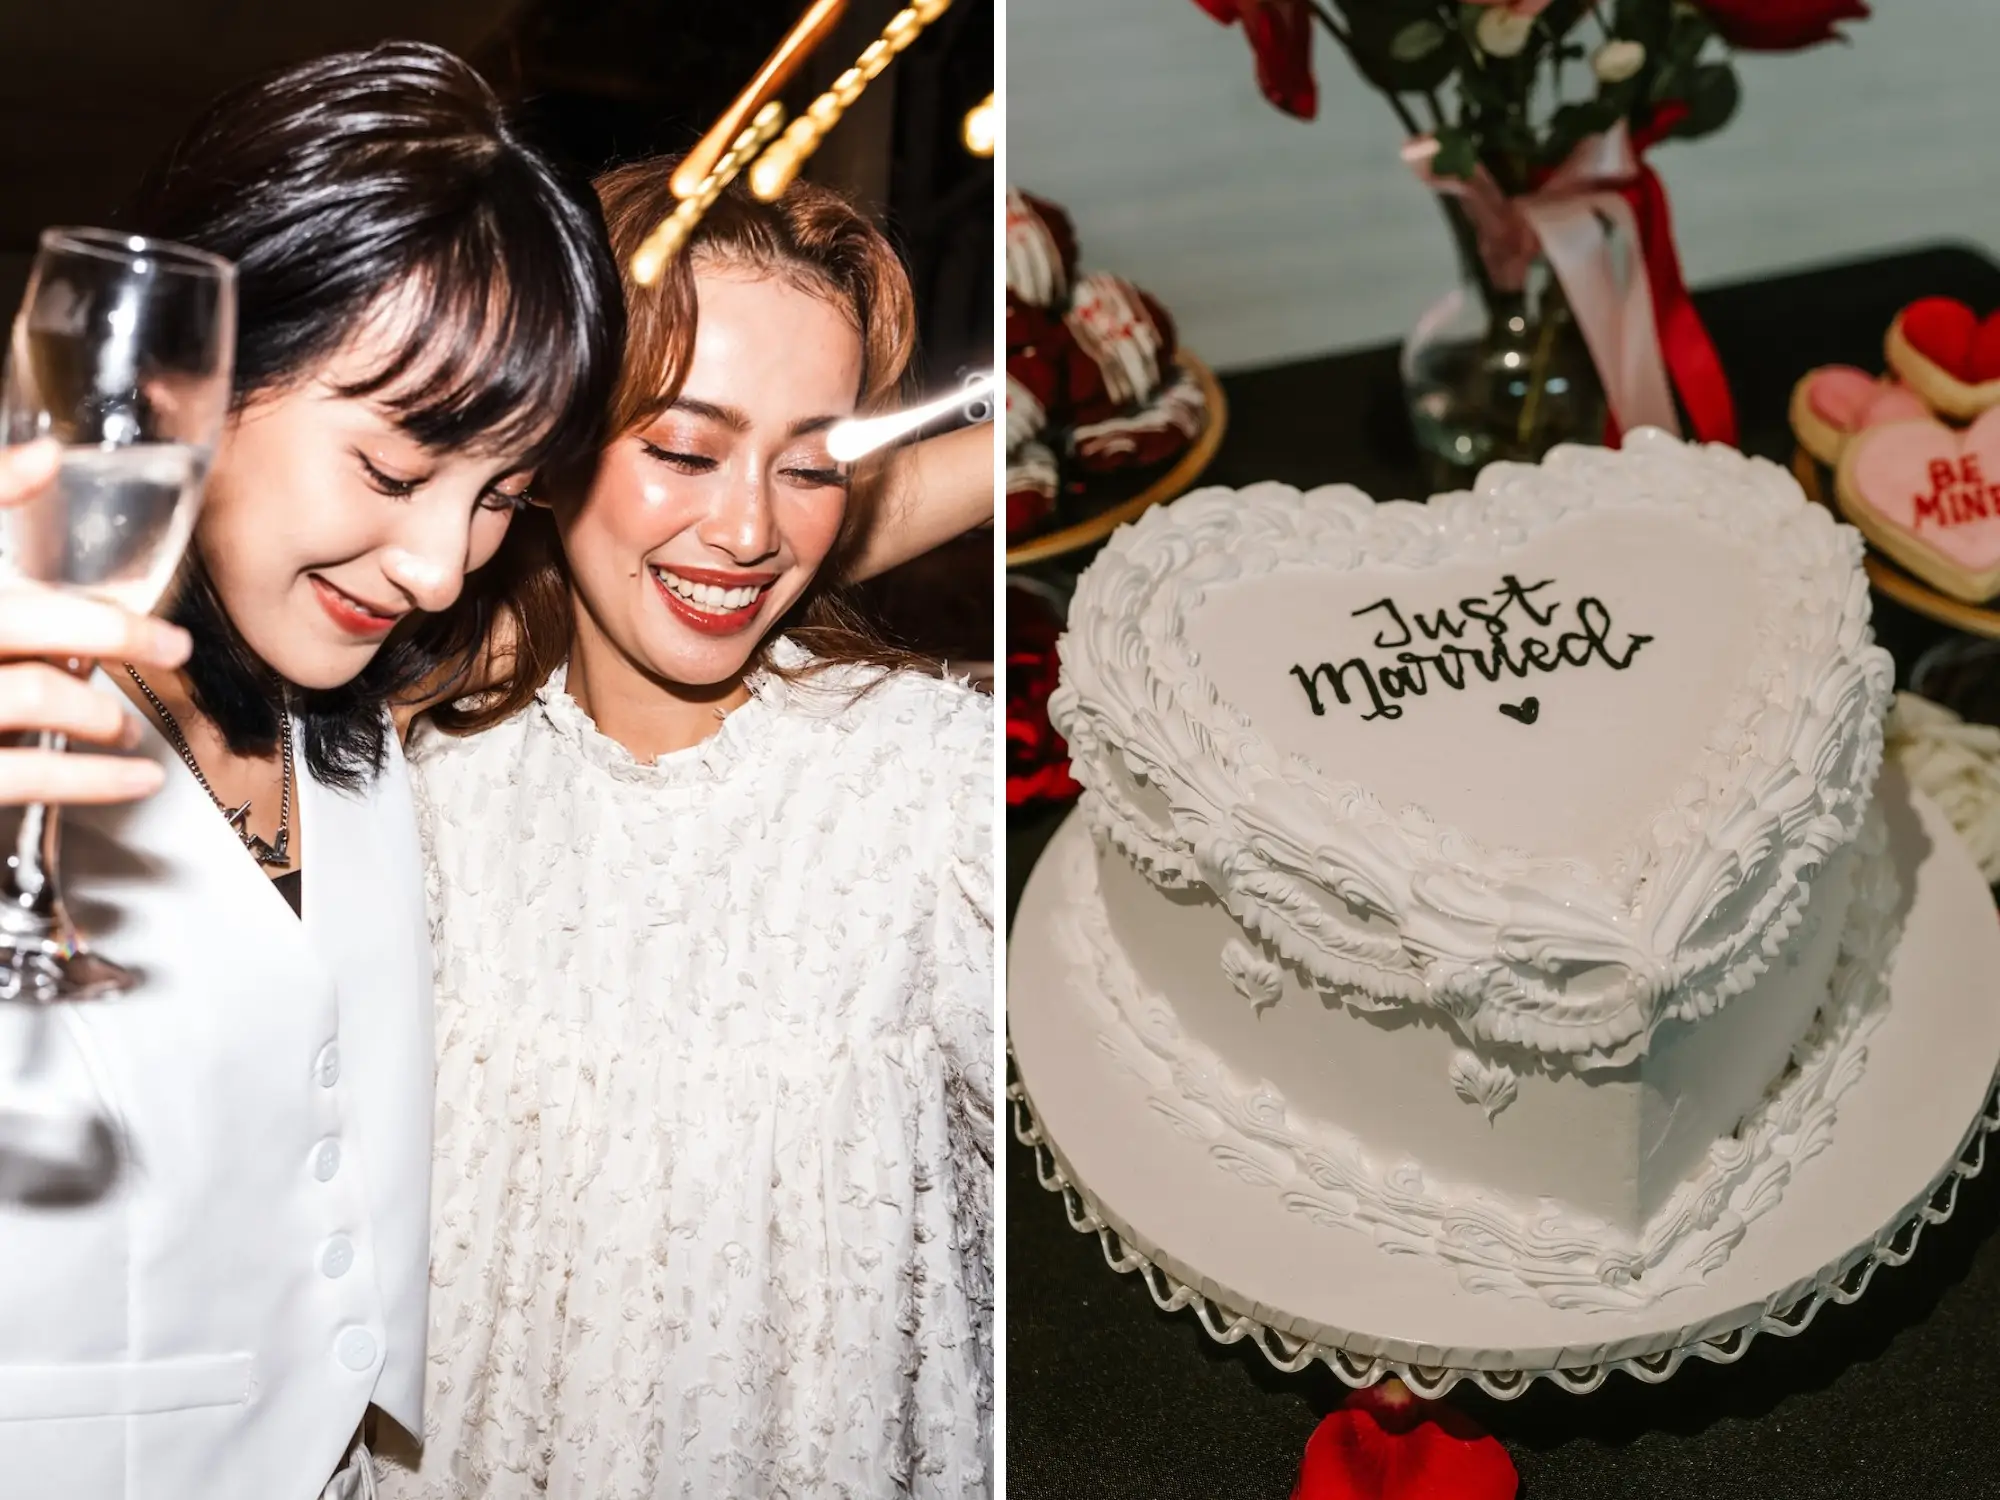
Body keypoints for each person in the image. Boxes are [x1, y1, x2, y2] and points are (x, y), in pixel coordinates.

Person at [0, 43, 989, 1500]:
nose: (436, 561)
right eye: (397, 473)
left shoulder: (398, 687)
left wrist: (1010, 428)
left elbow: (713, 551)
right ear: (180, 382)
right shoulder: (40, 690)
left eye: (504, 496)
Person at [373, 161, 993, 1498]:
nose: (753, 526)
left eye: (811, 465)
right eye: (683, 447)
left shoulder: (926, 782)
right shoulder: (414, 793)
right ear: (540, 450)